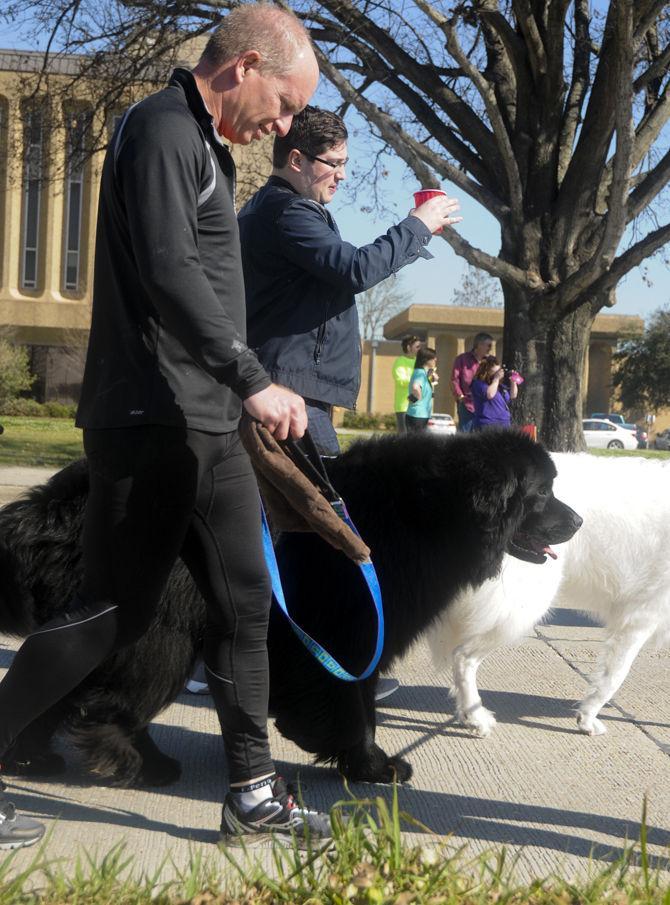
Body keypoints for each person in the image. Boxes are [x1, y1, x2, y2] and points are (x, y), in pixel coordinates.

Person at [0, 5, 333, 849]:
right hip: (150, 421)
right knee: (112, 610)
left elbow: (204, 285)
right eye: (286, 104)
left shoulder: (206, 145)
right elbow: (169, 271)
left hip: (207, 424)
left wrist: (243, 390)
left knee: (243, 602)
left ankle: (252, 791)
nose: (284, 127)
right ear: (243, 66)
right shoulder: (160, 131)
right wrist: (253, 378)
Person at [239, 105, 462, 457]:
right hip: (292, 393)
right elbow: (355, 269)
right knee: (326, 509)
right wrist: (417, 225)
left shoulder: (274, 207)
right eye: (334, 162)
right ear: (296, 160)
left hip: (289, 386)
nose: (342, 175)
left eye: (345, 163)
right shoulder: (289, 211)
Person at [450, 333, 494, 432]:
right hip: (466, 405)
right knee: (464, 436)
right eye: (489, 345)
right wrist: (460, 396)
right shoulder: (462, 359)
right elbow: (454, 379)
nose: (490, 349)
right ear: (479, 345)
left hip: (485, 406)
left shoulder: (491, 361)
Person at [470, 356, 519, 431]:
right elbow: (489, 394)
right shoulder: (478, 384)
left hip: (504, 424)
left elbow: (513, 395)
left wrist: (513, 382)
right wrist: (496, 379)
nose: (499, 374)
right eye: (495, 372)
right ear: (486, 372)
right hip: (487, 425)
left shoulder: (500, 386)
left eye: (499, 371)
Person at [392, 336, 422, 432]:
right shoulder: (400, 361)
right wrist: (416, 382)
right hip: (404, 406)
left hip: (418, 407)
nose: (419, 349)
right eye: (417, 347)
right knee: (404, 437)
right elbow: (400, 380)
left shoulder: (419, 363)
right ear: (409, 348)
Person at [405, 348, 438, 431]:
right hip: (418, 416)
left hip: (418, 415)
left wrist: (432, 379)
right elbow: (415, 387)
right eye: (433, 357)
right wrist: (418, 398)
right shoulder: (420, 373)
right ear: (426, 360)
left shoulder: (422, 373)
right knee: (417, 443)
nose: (435, 359)